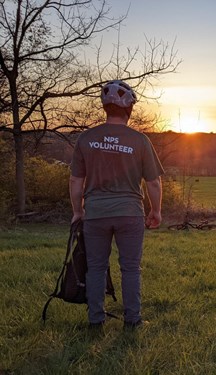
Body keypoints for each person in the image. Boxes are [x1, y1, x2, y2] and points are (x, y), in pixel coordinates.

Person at [69, 80, 164, 329]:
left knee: (96, 267)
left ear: (105, 108)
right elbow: (153, 183)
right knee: (130, 269)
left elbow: (76, 180)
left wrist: (78, 212)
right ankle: (132, 320)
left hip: (96, 214)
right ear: (129, 108)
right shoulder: (140, 140)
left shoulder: (86, 138)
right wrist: (156, 212)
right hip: (130, 214)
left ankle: (95, 321)